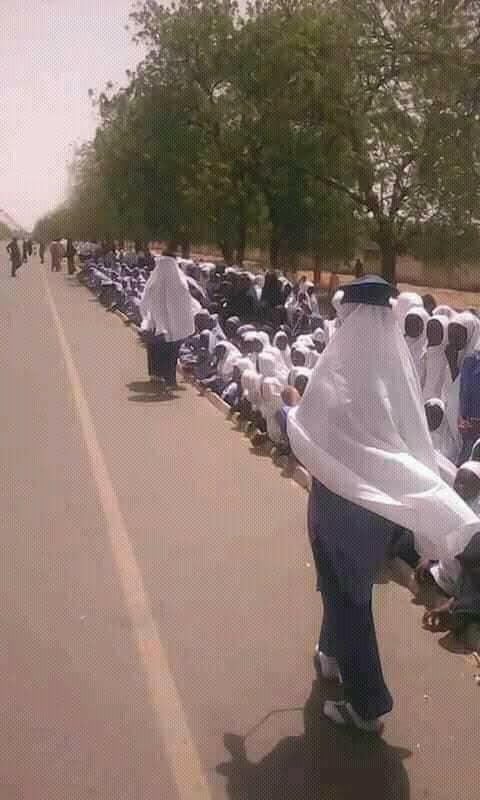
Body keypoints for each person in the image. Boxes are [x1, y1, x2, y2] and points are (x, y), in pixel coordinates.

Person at [287, 274, 480, 732]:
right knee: (342, 589)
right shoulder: (395, 371)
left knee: (348, 599)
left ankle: (368, 705)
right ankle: (331, 654)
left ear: (349, 314)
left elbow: (310, 431)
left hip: (338, 509)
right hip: (371, 514)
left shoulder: (338, 373)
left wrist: (290, 404)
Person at [139, 242, 195, 389]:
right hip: (173, 324)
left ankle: (157, 376)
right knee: (171, 352)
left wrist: (147, 316)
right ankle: (169, 379)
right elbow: (185, 298)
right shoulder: (179, 278)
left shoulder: (155, 277)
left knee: (156, 349)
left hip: (157, 322)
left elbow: (145, 296)